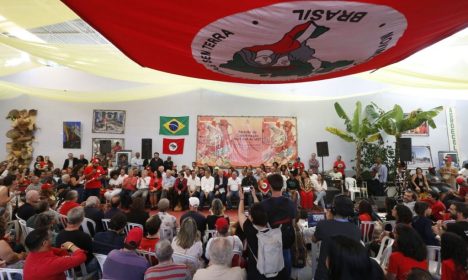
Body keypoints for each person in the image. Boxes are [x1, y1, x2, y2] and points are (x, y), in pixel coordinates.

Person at [258, 173, 296, 279]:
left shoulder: (264, 204)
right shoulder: (290, 203)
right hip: (286, 237)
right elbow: (293, 223)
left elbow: (262, 226)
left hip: (270, 240)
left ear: (269, 186)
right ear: (282, 185)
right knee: (286, 255)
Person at [312, 195, 361, 280]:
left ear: (333, 209)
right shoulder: (356, 229)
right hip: (348, 274)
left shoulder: (324, 225)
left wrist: (328, 220)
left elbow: (314, 239)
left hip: (324, 275)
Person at [55, 207, 97, 274]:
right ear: (81, 220)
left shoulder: (59, 236)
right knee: (100, 259)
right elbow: (90, 255)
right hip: (82, 270)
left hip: (66, 269)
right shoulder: (84, 236)